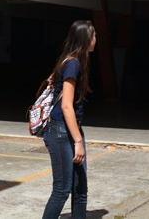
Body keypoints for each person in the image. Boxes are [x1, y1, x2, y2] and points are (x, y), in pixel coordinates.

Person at [42, 20, 96, 219]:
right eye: (94, 35)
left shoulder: (70, 61)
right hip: (60, 132)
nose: (95, 39)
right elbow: (66, 106)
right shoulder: (72, 63)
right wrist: (78, 142)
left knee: (80, 190)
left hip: (70, 130)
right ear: (85, 39)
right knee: (62, 190)